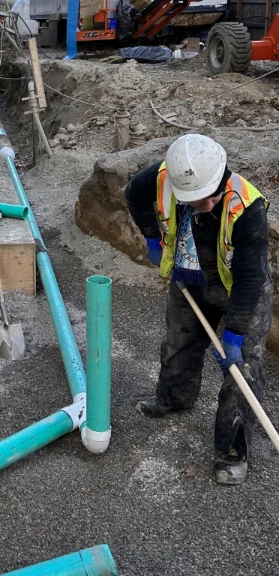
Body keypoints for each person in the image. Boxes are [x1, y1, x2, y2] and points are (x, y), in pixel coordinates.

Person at [124, 133, 272, 486]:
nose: (199, 204)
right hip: (191, 271)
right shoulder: (165, 175)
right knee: (179, 340)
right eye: (192, 199)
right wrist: (150, 236)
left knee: (243, 368)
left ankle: (233, 449)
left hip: (240, 286)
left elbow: (250, 278)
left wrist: (234, 333)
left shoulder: (247, 209)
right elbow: (134, 195)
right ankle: (174, 398)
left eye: (206, 199)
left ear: (221, 179)